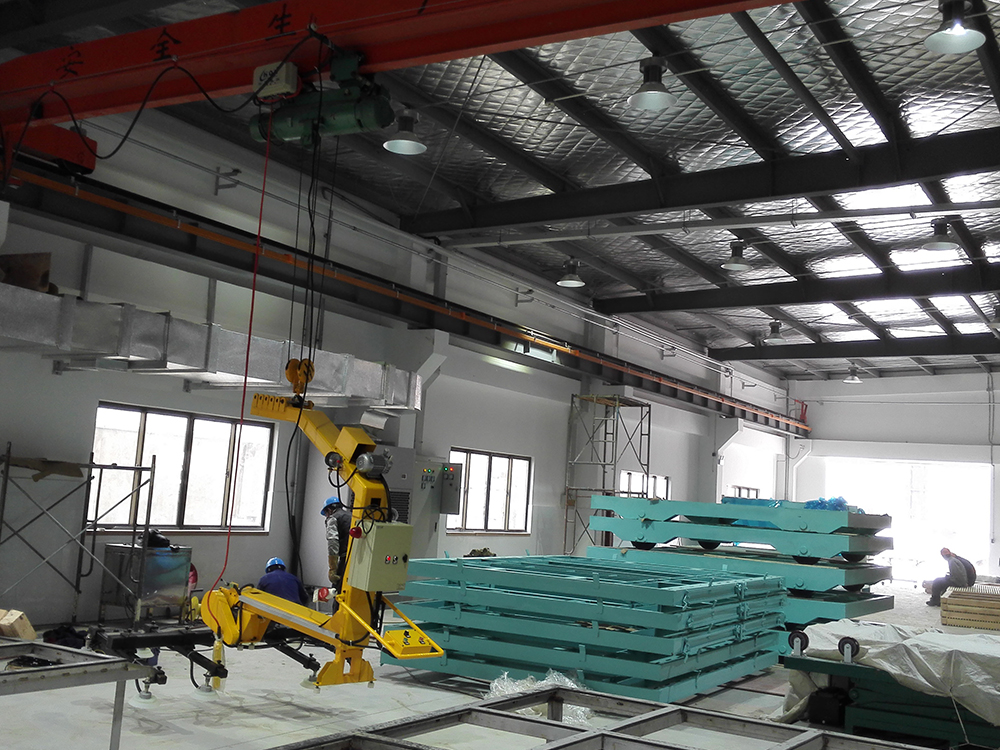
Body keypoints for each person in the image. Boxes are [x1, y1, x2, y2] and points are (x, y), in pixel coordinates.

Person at [322, 496, 352, 589]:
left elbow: (333, 542)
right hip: (358, 558)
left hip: (345, 558)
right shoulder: (352, 516)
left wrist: (333, 569)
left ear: (329, 510)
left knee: (338, 588)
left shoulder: (333, 518)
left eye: (326, 513)